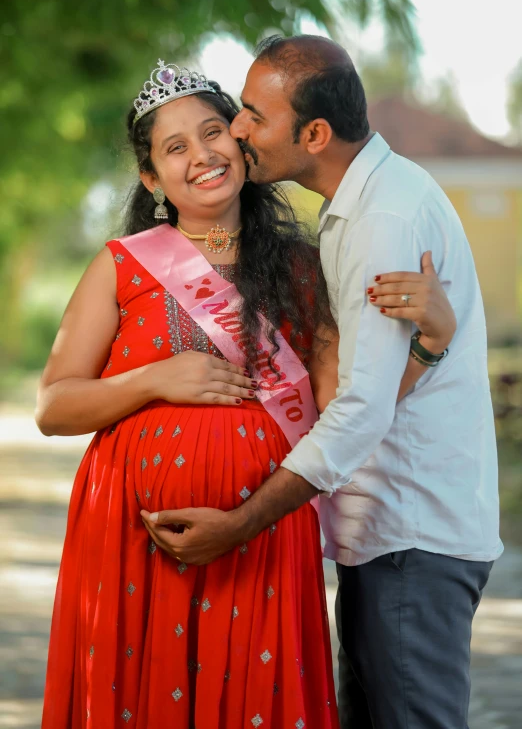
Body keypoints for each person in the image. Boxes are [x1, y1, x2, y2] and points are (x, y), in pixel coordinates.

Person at [38, 59, 455, 729]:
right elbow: (53, 405)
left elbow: (348, 404)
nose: (202, 155)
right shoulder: (121, 265)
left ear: (239, 139)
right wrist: (153, 378)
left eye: (213, 133)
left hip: (261, 540)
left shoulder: (300, 267)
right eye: (176, 148)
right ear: (152, 178)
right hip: (131, 541)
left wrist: (431, 341)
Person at [144, 36, 503, 729]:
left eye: (254, 114)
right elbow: (368, 387)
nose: (239, 129)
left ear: (314, 133)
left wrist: (244, 523)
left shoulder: (383, 218)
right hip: (388, 533)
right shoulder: (353, 208)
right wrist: (431, 348)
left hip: (413, 533)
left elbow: (361, 408)